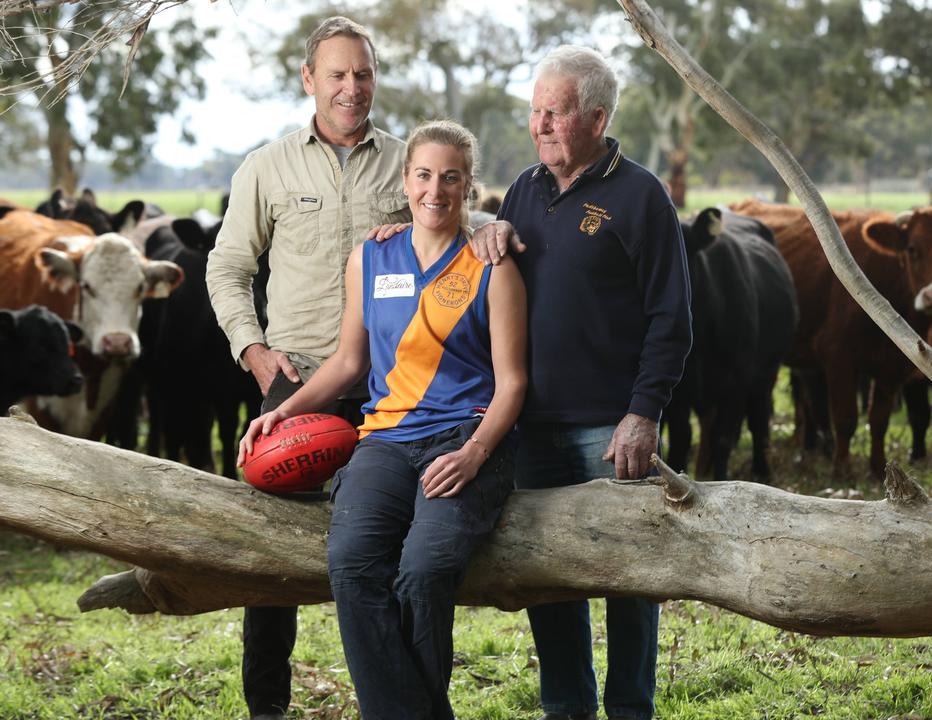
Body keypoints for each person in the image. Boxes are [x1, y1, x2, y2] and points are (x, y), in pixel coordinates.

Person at [240, 119, 527, 719]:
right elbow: (349, 362)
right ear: (405, 180)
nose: (435, 190)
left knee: (423, 572)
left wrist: (473, 454)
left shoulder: (492, 267)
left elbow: (514, 382)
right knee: (350, 565)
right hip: (386, 441)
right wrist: (282, 414)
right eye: (424, 175)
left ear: (469, 186)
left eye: (451, 178)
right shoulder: (369, 256)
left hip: (464, 439)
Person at [475, 45, 692, 720]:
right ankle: (566, 708)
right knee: (550, 579)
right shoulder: (521, 189)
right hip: (532, 424)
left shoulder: (641, 195)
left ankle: (631, 708)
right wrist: (490, 231)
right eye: (535, 110)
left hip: (610, 426)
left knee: (629, 576)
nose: (540, 124)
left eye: (556, 112)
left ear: (596, 118)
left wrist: (643, 411)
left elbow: (672, 315)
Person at [206, 16, 411, 720]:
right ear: (309, 79)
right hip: (292, 387)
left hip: (389, 387)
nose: (351, 88)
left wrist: (494, 225)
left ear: (375, 78)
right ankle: (268, 708)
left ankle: (398, 701)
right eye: (337, 74)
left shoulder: (410, 162)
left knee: (388, 550)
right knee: (269, 564)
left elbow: (455, 242)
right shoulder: (266, 166)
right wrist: (254, 352)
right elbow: (228, 267)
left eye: (362, 73)